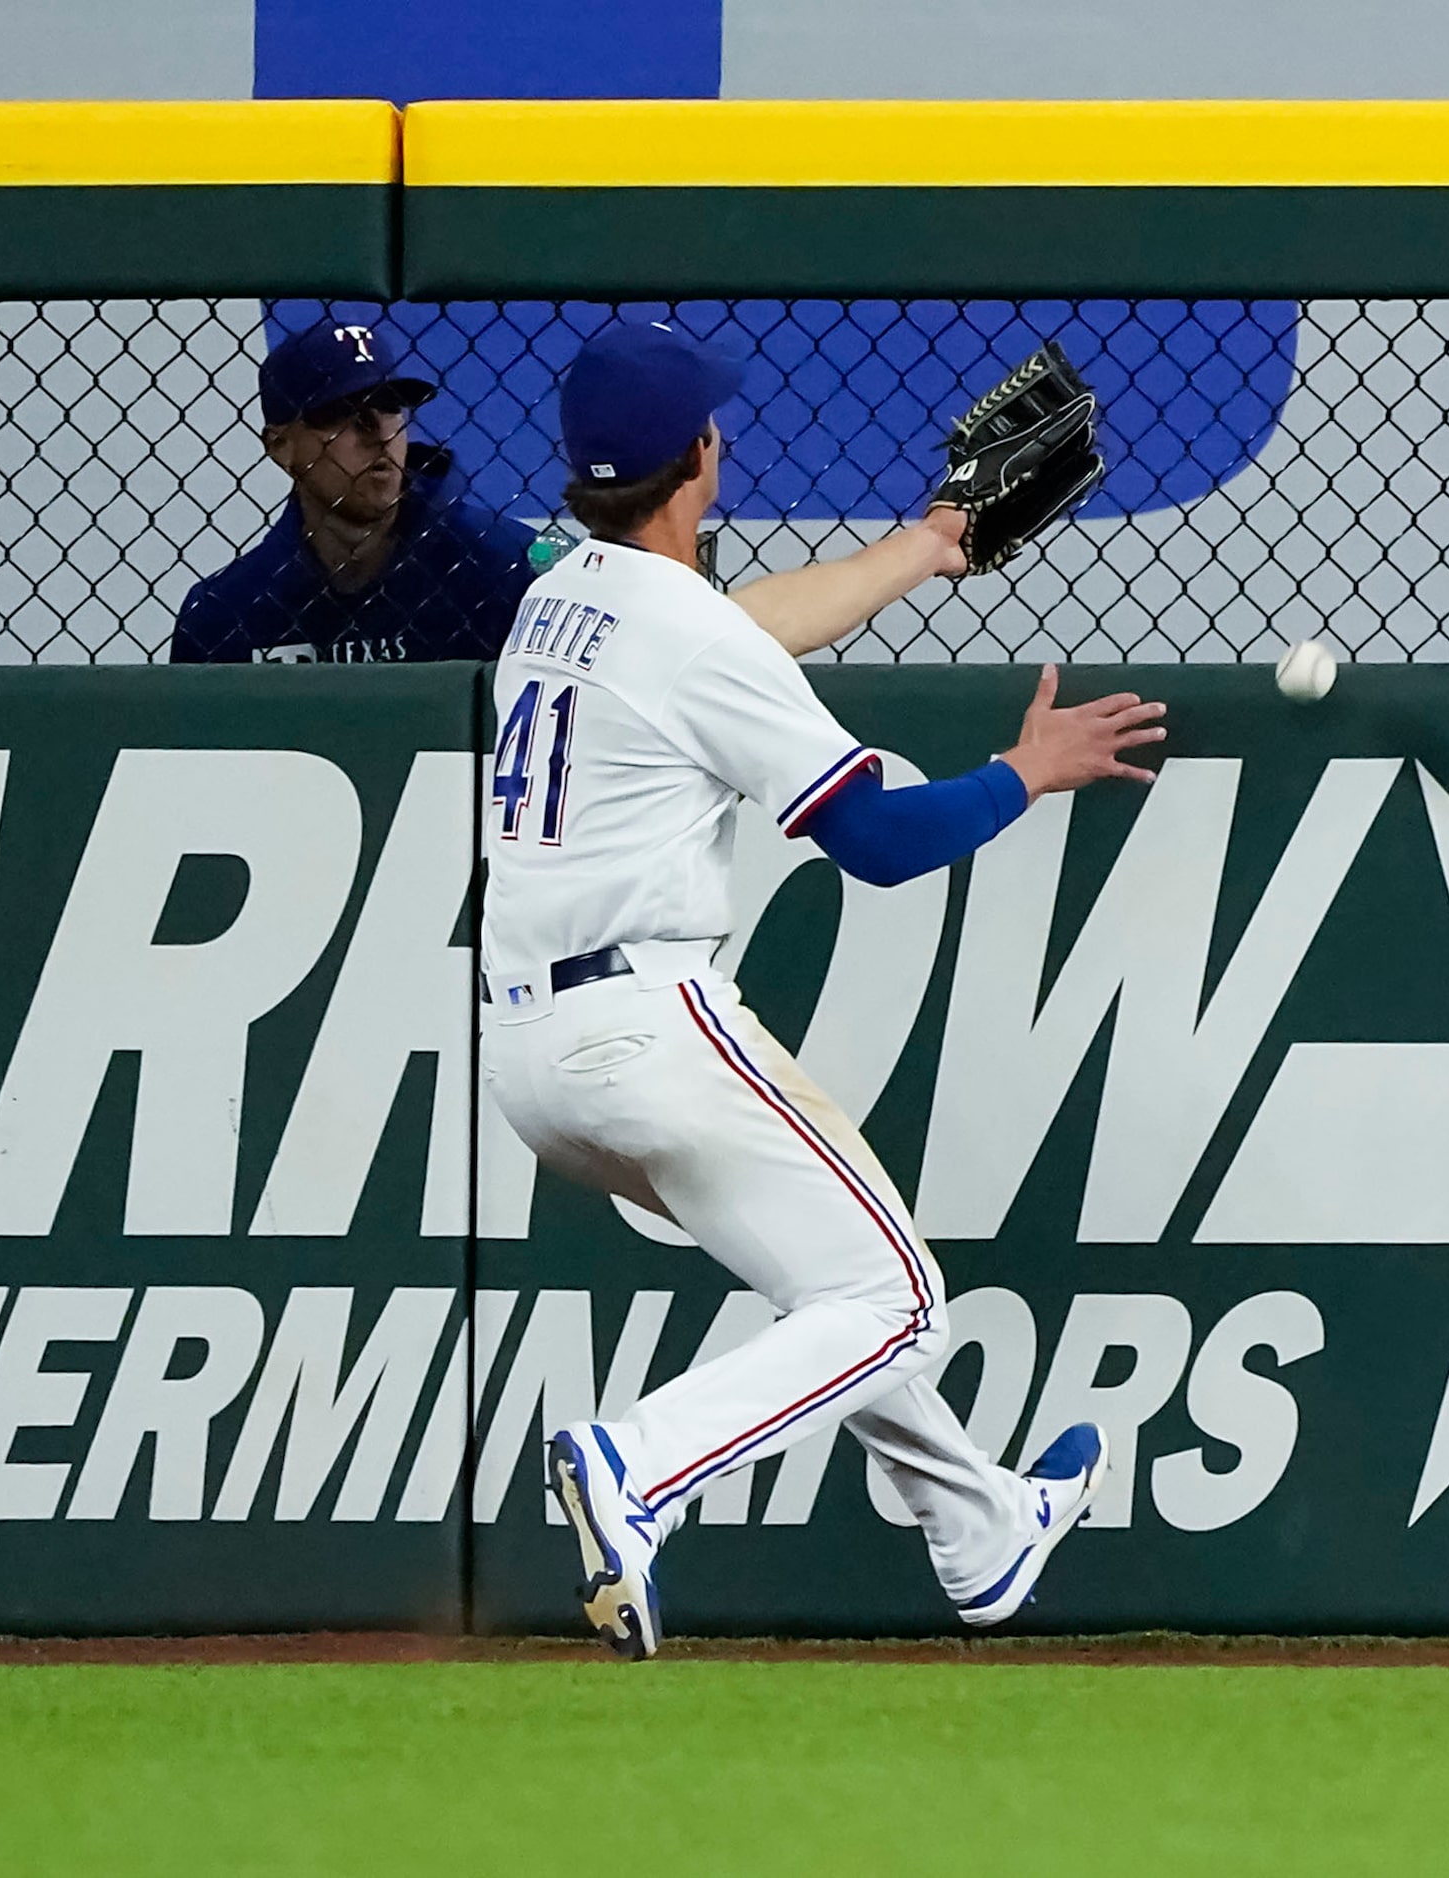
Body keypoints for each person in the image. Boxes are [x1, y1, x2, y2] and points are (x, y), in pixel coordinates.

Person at [482, 322, 1168, 1658]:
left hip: (530, 1053)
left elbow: (732, 635)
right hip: (649, 1025)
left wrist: (927, 545)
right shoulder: (680, 630)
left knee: (834, 1283)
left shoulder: (560, 593)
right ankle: (637, 1463)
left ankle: (980, 1527)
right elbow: (883, 844)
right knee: (896, 1298)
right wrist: (1027, 771)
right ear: (700, 456)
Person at [170, 321, 536, 664]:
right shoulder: (223, 615)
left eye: (391, 407)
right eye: (344, 412)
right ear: (281, 445)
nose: (380, 434)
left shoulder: (510, 571)